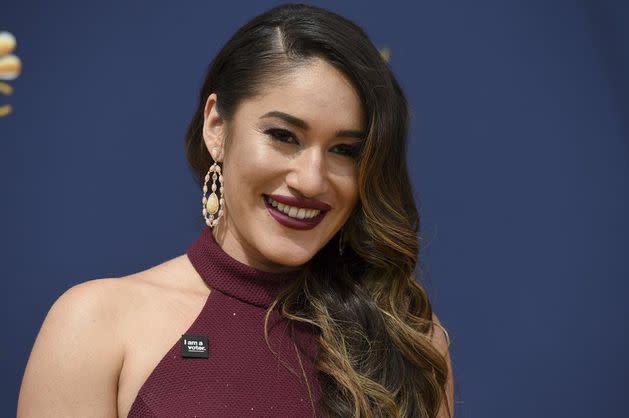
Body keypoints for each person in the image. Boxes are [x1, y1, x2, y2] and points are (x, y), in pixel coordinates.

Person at [17, 3, 454, 417]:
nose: (311, 180)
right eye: (284, 136)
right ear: (217, 128)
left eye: (345, 150)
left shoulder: (408, 343)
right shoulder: (95, 326)